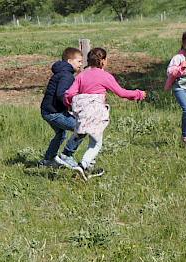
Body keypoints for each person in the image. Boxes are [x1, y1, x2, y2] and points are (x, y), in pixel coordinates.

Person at [62, 48, 146, 180]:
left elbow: (69, 93)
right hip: (96, 113)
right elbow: (121, 92)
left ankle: (85, 168)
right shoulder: (105, 76)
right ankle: (83, 165)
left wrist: (68, 104)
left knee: (82, 134)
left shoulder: (81, 75)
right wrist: (138, 94)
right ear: (103, 61)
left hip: (83, 113)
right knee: (95, 143)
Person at [39, 47, 84, 167]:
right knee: (82, 127)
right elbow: (61, 94)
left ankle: (48, 160)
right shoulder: (67, 75)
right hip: (54, 112)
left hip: (47, 110)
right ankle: (67, 155)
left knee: (61, 133)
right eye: (79, 61)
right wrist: (74, 107)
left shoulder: (62, 72)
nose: (81, 64)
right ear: (69, 61)